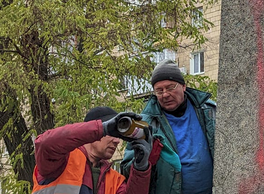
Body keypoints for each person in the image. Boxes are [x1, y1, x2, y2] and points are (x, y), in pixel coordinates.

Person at [121, 60, 216, 194]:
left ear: (183, 86)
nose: (165, 94)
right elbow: (126, 171)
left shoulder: (208, 110)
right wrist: (142, 160)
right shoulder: (145, 124)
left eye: (170, 87)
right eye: (159, 90)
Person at [32, 106, 160, 194]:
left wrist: (141, 166)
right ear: (94, 135)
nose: (117, 141)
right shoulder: (63, 160)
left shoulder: (114, 179)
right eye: (113, 134)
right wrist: (102, 128)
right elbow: (44, 144)